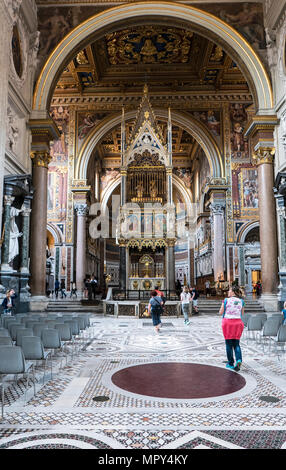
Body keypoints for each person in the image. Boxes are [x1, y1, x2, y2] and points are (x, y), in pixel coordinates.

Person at [219, 285, 245, 371]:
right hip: (238, 322)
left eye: (229, 290)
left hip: (228, 323)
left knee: (229, 344)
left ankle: (230, 363)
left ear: (233, 292)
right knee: (236, 344)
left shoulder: (226, 300)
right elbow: (242, 313)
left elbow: (220, 312)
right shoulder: (241, 301)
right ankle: (239, 360)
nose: (228, 292)